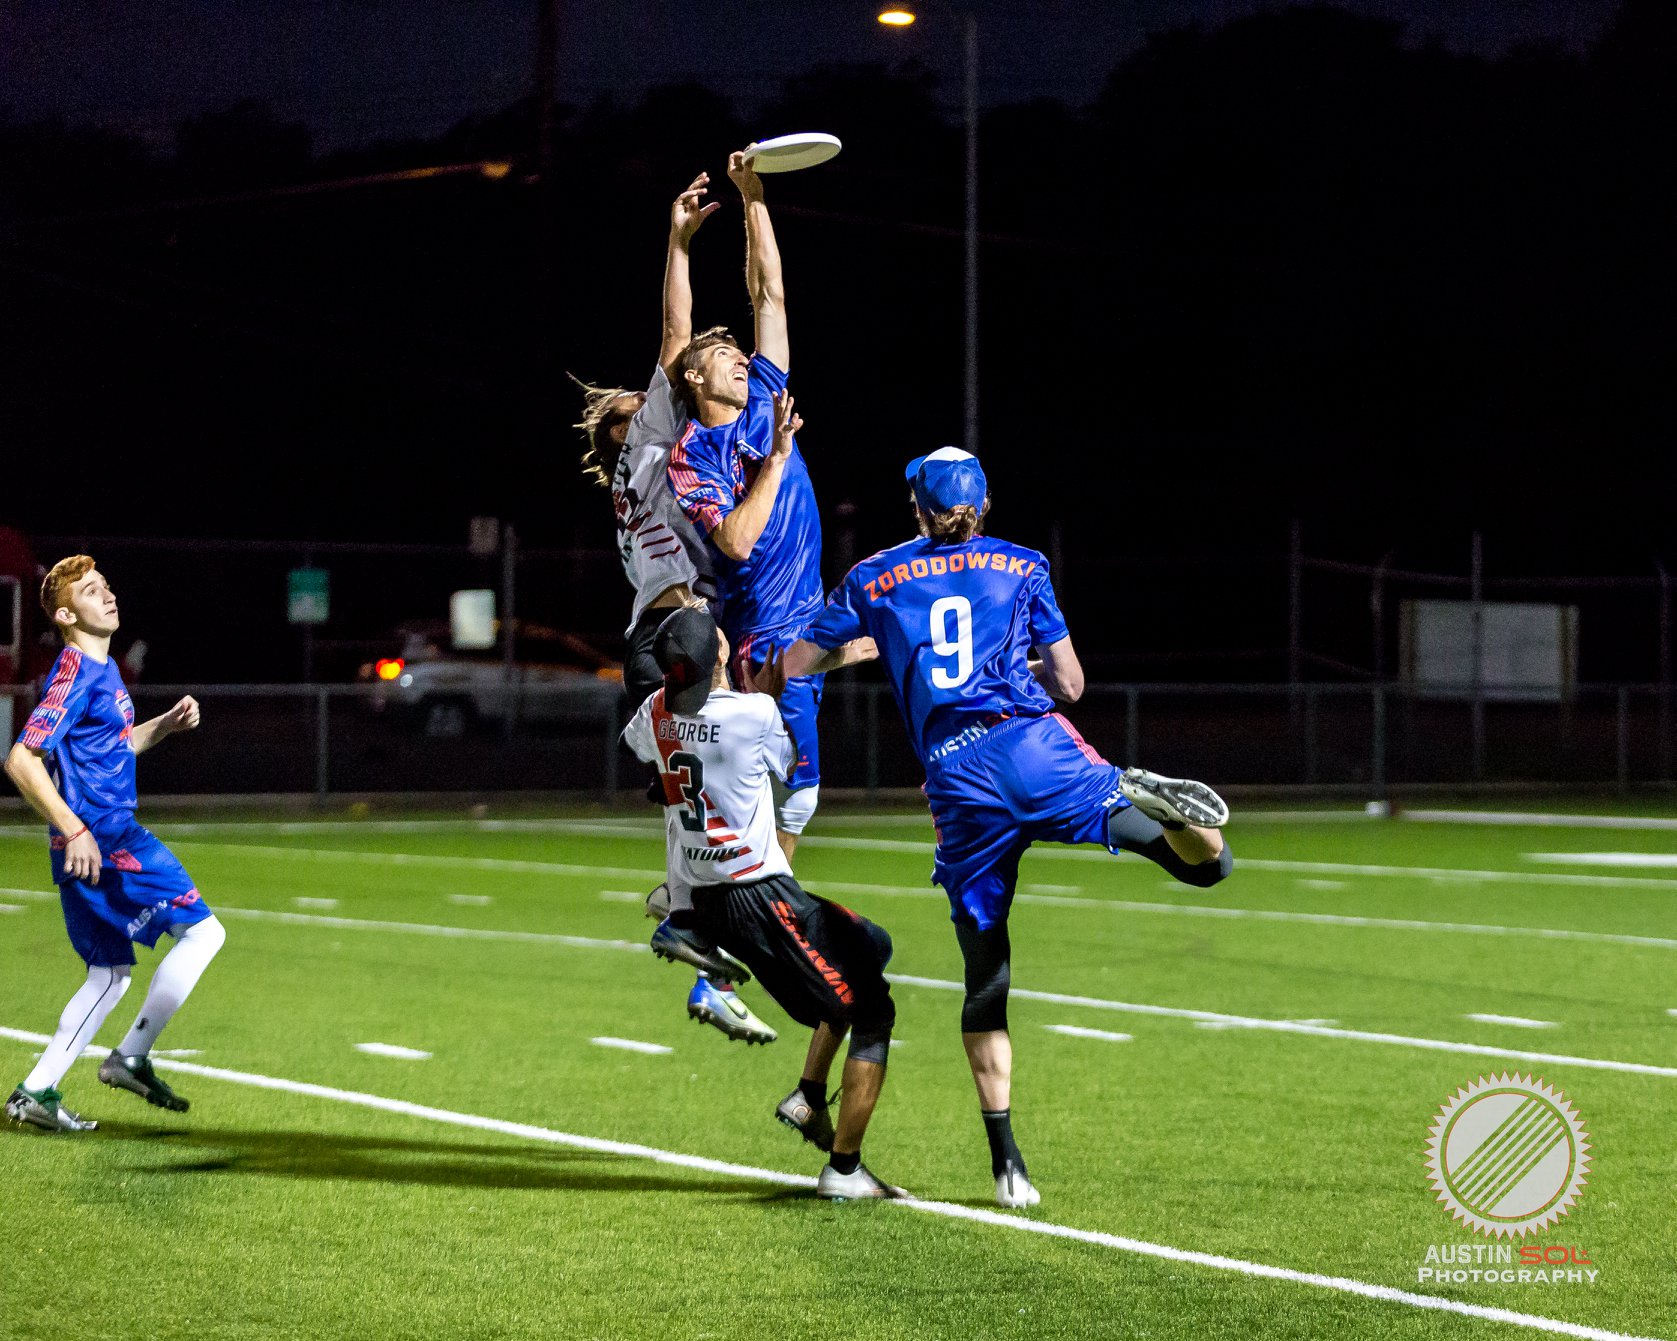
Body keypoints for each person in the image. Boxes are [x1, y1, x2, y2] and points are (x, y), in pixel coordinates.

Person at [758, 448, 1234, 1210]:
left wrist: (860, 650)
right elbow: (1070, 683)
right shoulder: (1024, 564)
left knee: (987, 978)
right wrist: (1018, 678)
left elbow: (795, 663)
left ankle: (1008, 1165)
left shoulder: (874, 574)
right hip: (1034, 746)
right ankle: (1174, 817)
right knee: (1207, 868)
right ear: (984, 502)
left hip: (958, 781)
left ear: (915, 505)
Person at [574, 171, 778, 1046]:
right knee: (729, 729)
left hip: (645, 638)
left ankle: (684, 910)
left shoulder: (647, 471)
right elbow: (675, 333)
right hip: (676, 628)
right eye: (639, 398)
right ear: (630, 425)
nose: (646, 391)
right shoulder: (654, 437)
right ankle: (686, 906)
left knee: (684, 784)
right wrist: (679, 242)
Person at [622, 597, 898, 1200]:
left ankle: (807, 1096)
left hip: (709, 897)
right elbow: (789, 765)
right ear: (719, 654)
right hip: (759, 896)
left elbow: (646, 742)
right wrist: (771, 698)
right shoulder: (751, 714)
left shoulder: (656, 711)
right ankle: (844, 1171)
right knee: (873, 1011)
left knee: (869, 944)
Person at [4, 556, 227, 1132]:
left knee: (108, 975)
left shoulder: (103, 671)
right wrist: (73, 828)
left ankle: (36, 1091)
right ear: (63, 613)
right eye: (90, 591)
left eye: (106, 587)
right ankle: (130, 1057)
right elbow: (21, 759)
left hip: (90, 840)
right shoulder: (76, 669)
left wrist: (164, 727)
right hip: (105, 836)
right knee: (204, 932)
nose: (107, 596)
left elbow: (115, 747)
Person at [667, 149, 825, 862]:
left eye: (739, 351)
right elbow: (734, 540)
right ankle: (732, 939)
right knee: (778, 798)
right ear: (695, 376)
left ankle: (750, 932)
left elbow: (770, 296)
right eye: (723, 352)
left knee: (796, 797)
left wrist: (754, 195)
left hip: (809, 616)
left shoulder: (765, 396)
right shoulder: (692, 454)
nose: (739, 355)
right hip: (760, 641)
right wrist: (777, 464)